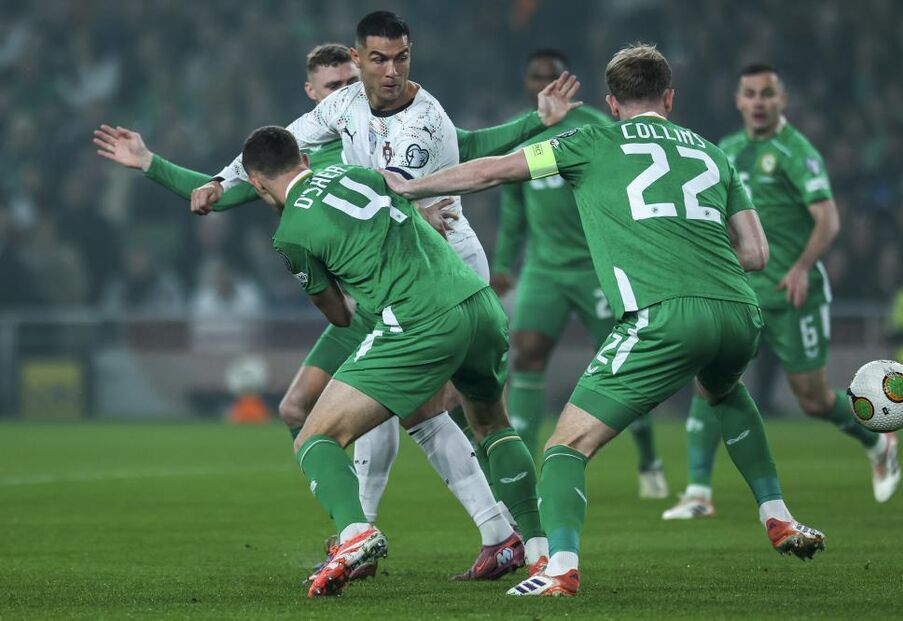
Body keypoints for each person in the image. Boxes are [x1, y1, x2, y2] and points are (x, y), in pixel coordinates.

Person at [95, 17, 579, 579]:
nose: (386, 73)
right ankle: (492, 536)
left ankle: (397, 532)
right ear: (322, 91)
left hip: (430, 270)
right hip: (403, 291)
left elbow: (436, 169)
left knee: (415, 409)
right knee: (305, 407)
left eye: (399, 59)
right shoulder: (333, 125)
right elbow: (244, 174)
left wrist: (524, 130)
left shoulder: (419, 127)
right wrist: (163, 168)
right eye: (365, 67)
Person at [380, 43, 826, 598]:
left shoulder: (591, 140)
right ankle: (778, 515)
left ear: (612, 104)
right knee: (725, 391)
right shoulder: (714, 153)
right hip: (738, 312)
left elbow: (495, 170)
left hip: (663, 314)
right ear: (669, 98)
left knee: (565, 449)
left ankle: (560, 569)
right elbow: (757, 254)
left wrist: (411, 186)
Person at [239, 125, 529, 598]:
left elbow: (338, 315)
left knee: (314, 436)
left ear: (256, 182)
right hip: (477, 302)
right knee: (477, 422)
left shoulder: (290, 233)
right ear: (304, 159)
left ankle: (356, 532)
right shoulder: (358, 173)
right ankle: (521, 542)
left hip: (416, 319)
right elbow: (404, 209)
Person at [662, 64, 899, 521]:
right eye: (750, 93)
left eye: (767, 94)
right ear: (738, 101)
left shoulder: (797, 152)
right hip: (741, 291)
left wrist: (802, 268)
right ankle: (697, 492)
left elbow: (828, 219)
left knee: (812, 398)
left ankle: (877, 439)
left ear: (781, 100)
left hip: (793, 294)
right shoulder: (728, 149)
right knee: (707, 381)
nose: (758, 102)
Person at [490, 48, 666, 497]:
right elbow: (513, 211)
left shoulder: (596, 128)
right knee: (526, 355)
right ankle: (524, 469)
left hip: (596, 267)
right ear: (527, 83)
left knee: (626, 366)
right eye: (535, 77)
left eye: (550, 77)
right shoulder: (522, 133)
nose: (542, 85)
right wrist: (504, 263)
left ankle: (649, 459)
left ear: (567, 82)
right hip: (544, 270)